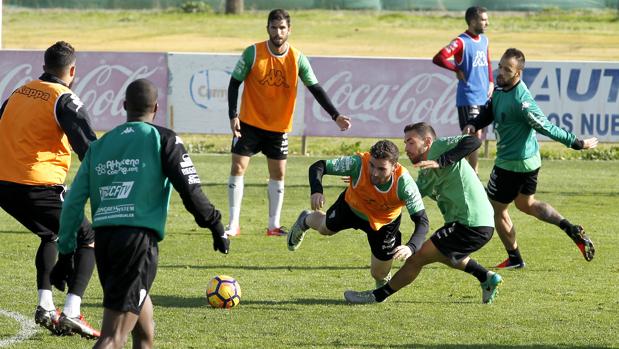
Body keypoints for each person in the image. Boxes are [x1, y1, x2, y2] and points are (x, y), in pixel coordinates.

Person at [55, 79, 230, 349]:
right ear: (157, 108)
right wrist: (215, 225)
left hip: (106, 243)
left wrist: (66, 253)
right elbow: (190, 189)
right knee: (113, 337)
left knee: (144, 332)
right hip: (137, 242)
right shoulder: (163, 139)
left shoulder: (99, 147)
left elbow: (73, 203)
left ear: (124, 106)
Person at [463, 48, 597, 269]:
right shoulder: (501, 87)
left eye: (508, 69)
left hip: (511, 165)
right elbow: (490, 109)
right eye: (501, 66)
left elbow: (546, 126)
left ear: (518, 73)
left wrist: (577, 143)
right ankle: (569, 228)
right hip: (528, 163)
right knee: (527, 204)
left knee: (496, 209)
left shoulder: (522, 101)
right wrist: (474, 123)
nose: (502, 72)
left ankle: (515, 258)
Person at [0, 41, 100, 338]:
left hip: (4, 186)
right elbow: (89, 150)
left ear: (44, 66)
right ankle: (71, 311)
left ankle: (46, 306)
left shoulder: (18, 92)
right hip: (37, 185)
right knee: (89, 238)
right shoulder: (64, 98)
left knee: (52, 234)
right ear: (72, 70)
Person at [226, 8, 351, 237]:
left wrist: (336, 116)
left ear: (289, 30)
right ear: (268, 29)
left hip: (278, 128)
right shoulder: (252, 53)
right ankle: (233, 224)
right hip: (248, 123)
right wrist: (233, 115)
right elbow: (234, 83)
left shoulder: (298, 58)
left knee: (279, 174)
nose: (278, 32)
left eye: (282, 27)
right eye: (273, 27)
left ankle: (273, 226)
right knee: (238, 168)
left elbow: (315, 88)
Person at [344, 122, 502, 304]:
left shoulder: (439, 147)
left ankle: (376, 296)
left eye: (410, 142)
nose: (406, 148)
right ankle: (486, 277)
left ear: (427, 141)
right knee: (442, 255)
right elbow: (402, 195)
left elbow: (473, 142)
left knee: (416, 258)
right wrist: (365, 182)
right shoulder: (425, 173)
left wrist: (441, 161)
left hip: (471, 223)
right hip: (463, 224)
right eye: (405, 143)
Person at [288, 140, 429, 288]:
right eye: (372, 165)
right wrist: (316, 190)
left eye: (382, 169)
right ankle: (305, 219)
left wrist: (411, 247)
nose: (374, 172)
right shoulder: (358, 163)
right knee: (324, 229)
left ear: (394, 167)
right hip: (351, 207)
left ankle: (382, 282)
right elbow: (319, 166)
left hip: (384, 223)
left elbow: (422, 222)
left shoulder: (405, 184)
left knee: (378, 274)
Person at [433, 6, 493, 174]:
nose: (487, 23)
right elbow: (439, 57)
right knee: (472, 135)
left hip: (483, 95)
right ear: (473, 21)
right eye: (483, 19)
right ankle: (469, 172)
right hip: (469, 96)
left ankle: (469, 172)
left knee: (476, 136)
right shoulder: (461, 41)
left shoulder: (484, 40)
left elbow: (487, 62)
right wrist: (456, 69)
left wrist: (490, 81)